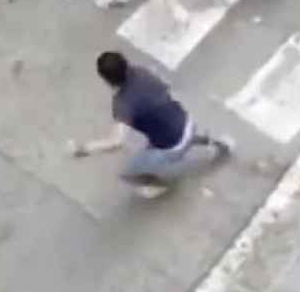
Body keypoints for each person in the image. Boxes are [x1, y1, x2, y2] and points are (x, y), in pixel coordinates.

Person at [71, 51, 233, 198]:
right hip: (186, 121)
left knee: (127, 174)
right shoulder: (142, 72)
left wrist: (83, 149)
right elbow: (165, 86)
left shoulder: (122, 104)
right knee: (182, 133)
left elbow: (116, 142)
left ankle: (156, 187)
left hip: (171, 146)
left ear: (106, 80)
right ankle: (215, 143)